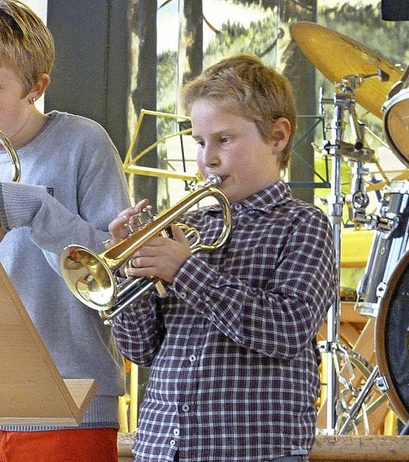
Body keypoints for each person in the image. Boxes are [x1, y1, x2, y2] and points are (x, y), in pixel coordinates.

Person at [0, 2, 130, 461]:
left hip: (70, 402)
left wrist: (34, 208)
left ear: (36, 87)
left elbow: (116, 269)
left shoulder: (84, 143)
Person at [108, 54, 337, 462]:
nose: (207, 159)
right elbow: (142, 349)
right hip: (164, 445)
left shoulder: (304, 225)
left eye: (224, 140)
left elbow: (287, 329)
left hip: (255, 449)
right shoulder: (190, 227)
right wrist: (132, 273)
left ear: (278, 136)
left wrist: (184, 270)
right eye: (199, 142)